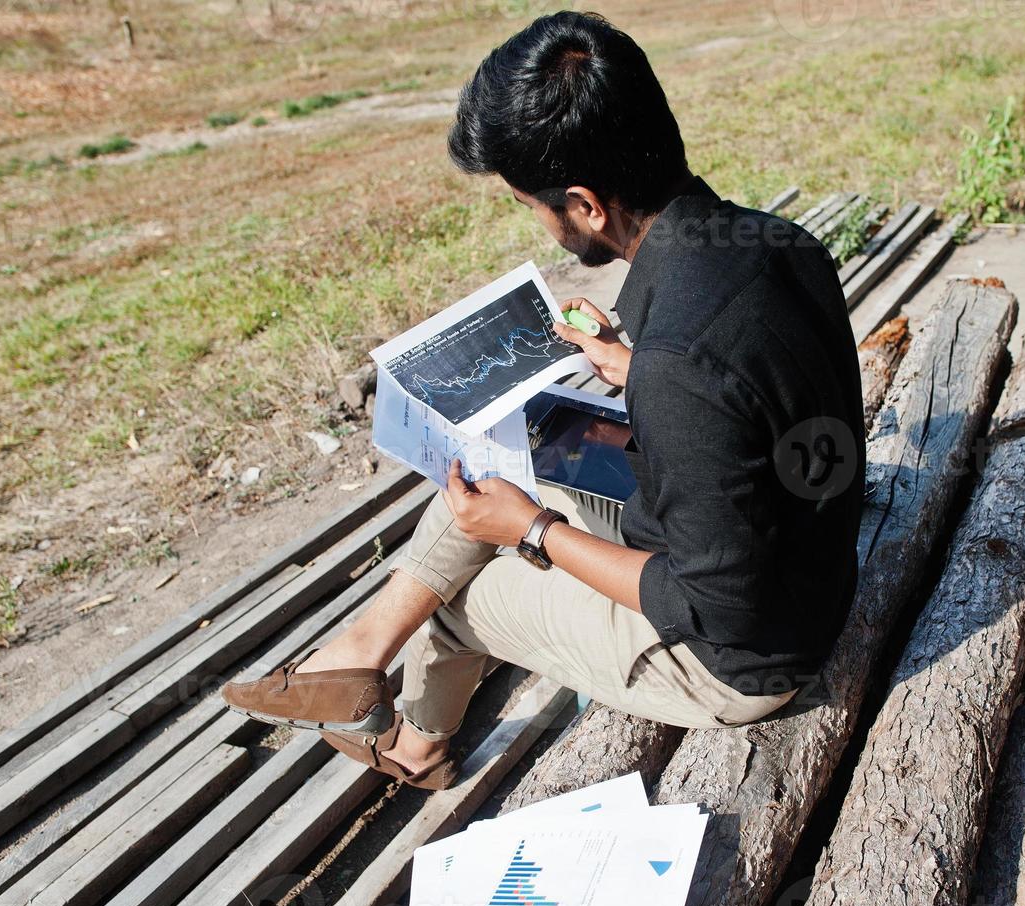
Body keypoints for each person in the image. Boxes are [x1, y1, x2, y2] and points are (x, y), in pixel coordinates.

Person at [222, 10, 864, 789]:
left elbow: (711, 607)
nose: (538, 220)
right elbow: (750, 390)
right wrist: (626, 365)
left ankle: (418, 747)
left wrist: (534, 530)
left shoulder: (680, 368)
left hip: (742, 663)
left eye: (532, 205)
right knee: (500, 478)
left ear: (586, 204)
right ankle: (355, 657)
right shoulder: (776, 242)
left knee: (463, 602)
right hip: (791, 554)